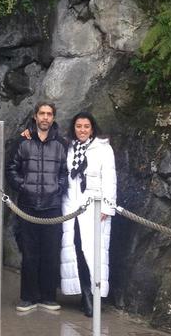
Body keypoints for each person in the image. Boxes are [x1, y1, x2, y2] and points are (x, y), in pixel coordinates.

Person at [6, 102, 68, 312]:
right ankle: (28, 297)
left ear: (53, 117)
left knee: (51, 252)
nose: (45, 117)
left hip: (52, 206)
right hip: (28, 205)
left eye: (49, 114)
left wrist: (59, 188)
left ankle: (48, 296)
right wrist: (23, 187)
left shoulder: (61, 143)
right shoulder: (22, 141)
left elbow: (65, 171)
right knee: (29, 252)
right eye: (42, 113)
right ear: (35, 116)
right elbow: (11, 168)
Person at [60, 112, 116, 317]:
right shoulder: (69, 148)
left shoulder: (103, 149)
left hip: (94, 208)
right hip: (71, 208)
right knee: (75, 250)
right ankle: (84, 294)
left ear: (92, 128)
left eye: (86, 126)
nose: (82, 130)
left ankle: (94, 295)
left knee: (93, 252)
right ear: (73, 128)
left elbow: (110, 179)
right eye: (78, 126)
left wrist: (107, 207)